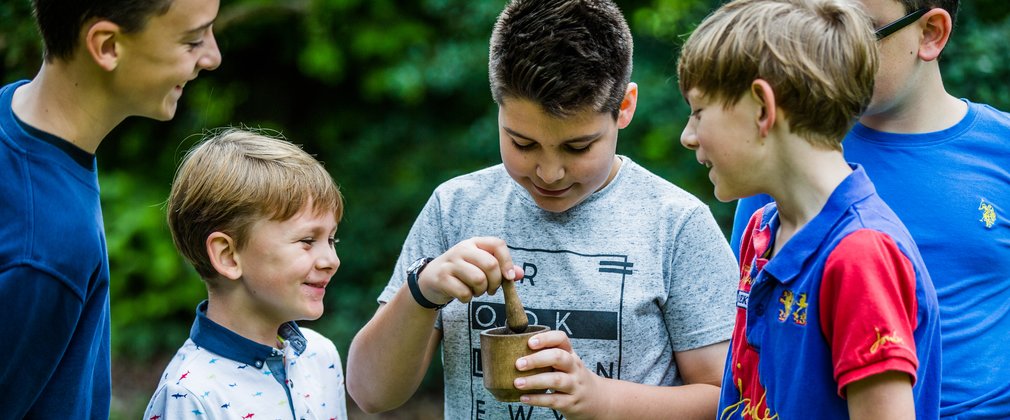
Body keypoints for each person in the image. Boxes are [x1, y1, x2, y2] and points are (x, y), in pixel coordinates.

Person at [345, 0, 739, 418]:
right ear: (498, 106)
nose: (549, 172)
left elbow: (728, 396)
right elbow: (372, 394)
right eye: (523, 143)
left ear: (624, 107)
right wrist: (421, 292)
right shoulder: (455, 209)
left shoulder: (676, 223)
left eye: (578, 146)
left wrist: (603, 401)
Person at [729, 0, 1010, 417]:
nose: (822, 54)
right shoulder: (785, 154)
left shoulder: (1000, 149)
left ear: (931, 33)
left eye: (852, 31)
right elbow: (745, 329)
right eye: (817, 27)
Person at [677, 0, 943, 417]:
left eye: (698, 112)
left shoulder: (860, 256)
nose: (688, 136)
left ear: (763, 109)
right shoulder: (763, 231)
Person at [0, 0, 221, 416]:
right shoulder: (48, 249)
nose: (212, 56)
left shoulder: (13, 115)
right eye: (192, 40)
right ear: (107, 46)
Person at [143, 128, 348, 419]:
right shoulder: (189, 395)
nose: (331, 260)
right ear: (228, 256)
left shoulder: (321, 357)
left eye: (331, 239)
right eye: (307, 241)